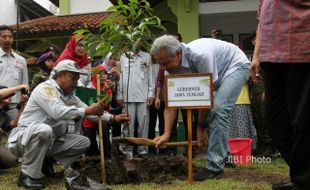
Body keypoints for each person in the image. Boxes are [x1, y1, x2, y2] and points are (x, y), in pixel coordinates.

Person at [6, 59, 130, 189]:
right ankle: (26, 175)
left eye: (77, 78)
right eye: (73, 78)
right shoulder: (46, 89)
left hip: (47, 140)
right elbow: (58, 112)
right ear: (60, 75)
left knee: (83, 142)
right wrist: (87, 110)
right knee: (44, 130)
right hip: (23, 140)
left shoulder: (69, 95)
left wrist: (113, 118)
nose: (76, 82)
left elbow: (89, 112)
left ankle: (44, 163)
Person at [151, 35, 250, 180]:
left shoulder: (200, 56)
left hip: (235, 65)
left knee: (219, 110)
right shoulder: (169, 71)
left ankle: (215, 168)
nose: (163, 68)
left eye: (165, 63)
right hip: (217, 74)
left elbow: (205, 97)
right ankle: (225, 157)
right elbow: (171, 104)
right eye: (160, 64)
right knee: (216, 112)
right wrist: (166, 133)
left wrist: (201, 127)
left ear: (178, 54)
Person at [250, 1, 310, 189]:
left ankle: (302, 180)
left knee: (302, 120)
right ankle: (302, 173)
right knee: (275, 121)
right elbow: (263, 20)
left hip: (303, 51)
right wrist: (256, 55)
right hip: (272, 55)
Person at [117, 47, 155, 156]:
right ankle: (126, 151)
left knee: (143, 124)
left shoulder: (146, 56)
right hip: (127, 96)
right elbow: (121, 77)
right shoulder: (124, 57)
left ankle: (143, 151)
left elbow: (150, 77)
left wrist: (151, 94)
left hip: (143, 96)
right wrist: (120, 95)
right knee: (128, 125)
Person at [82, 65, 113, 159]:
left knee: (104, 132)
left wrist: (107, 90)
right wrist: (103, 90)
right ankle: (92, 158)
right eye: (101, 74)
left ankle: (107, 157)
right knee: (90, 139)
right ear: (95, 75)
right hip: (90, 116)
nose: (104, 77)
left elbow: (105, 104)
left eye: (105, 74)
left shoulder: (108, 88)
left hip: (102, 115)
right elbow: (92, 103)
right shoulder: (90, 87)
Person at [0, 25, 28, 119]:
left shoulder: (21, 60)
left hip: (14, 104)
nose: (7, 39)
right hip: (0, 100)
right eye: (4, 36)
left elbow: (25, 84)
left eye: (10, 36)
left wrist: (23, 103)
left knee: (14, 130)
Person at [0, 85, 28, 170]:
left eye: (11, 95)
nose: (10, 96)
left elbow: (14, 124)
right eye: (8, 94)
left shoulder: (3, 115)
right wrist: (19, 87)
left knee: (11, 161)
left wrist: (22, 105)